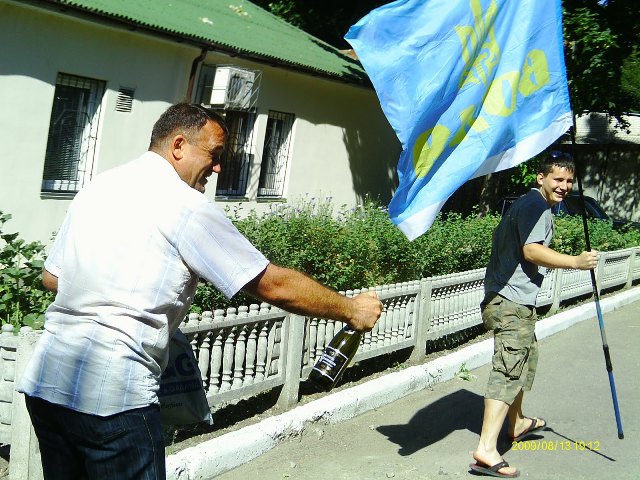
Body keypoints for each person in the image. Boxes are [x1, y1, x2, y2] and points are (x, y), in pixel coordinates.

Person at [17, 103, 383, 480]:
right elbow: (272, 285)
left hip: (48, 386)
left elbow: (52, 277)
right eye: (215, 154)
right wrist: (352, 310)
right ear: (178, 145)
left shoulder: (98, 187)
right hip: (114, 399)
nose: (219, 167)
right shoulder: (185, 207)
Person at [470, 151, 598, 478]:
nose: (565, 186)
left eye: (569, 181)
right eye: (558, 179)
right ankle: (486, 449)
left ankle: (516, 423)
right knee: (509, 369)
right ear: (541, 178)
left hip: (510, 299)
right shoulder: (536, 208)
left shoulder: (528, 204)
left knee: (524, 359)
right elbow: (531, 250)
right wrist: (575, 262)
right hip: (510, 301)